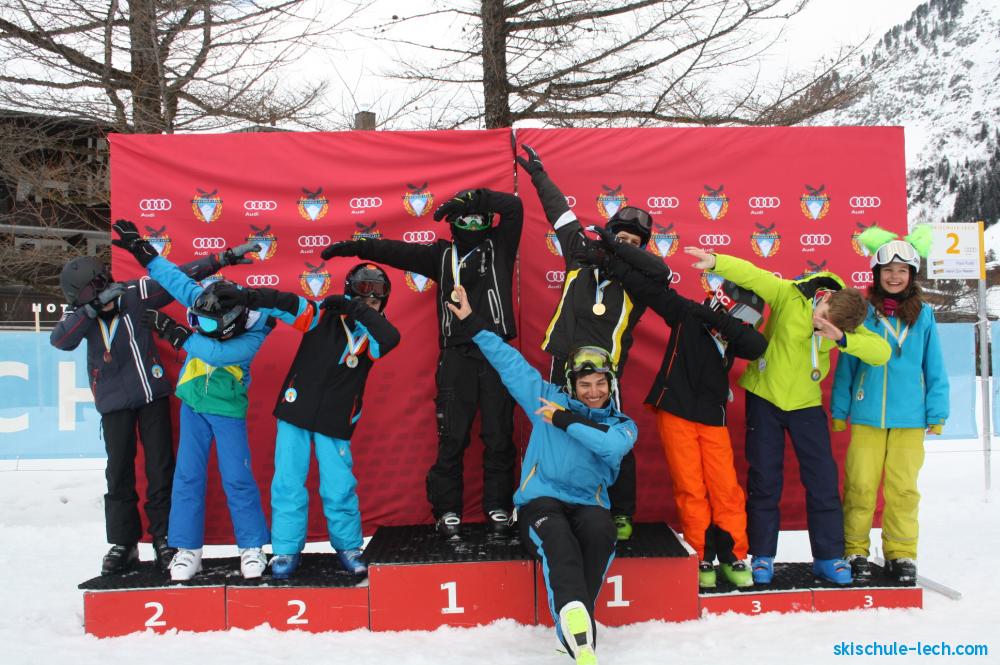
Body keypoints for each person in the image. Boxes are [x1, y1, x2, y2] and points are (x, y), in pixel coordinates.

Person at [447, 283, 635, 665]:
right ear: (572, 384)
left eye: (601, 384)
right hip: (541, 501)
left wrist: (564, 419)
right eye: (585, 384)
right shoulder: (546, 399)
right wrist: (471, 320)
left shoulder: (621, 425)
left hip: (588, 504)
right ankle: (578, 632)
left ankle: (575, 623)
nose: (594, 391)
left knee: (601, 533)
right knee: (558, 539)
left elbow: (610, 447)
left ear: (610, 384)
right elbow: (509, 362)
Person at [321, 188, 522, 538]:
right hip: (456, 356)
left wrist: (472, 198)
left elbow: (514, 206)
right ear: (453, 225)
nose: (473, 224)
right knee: (452, 437)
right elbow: (396, 251)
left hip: (497, 355)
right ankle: (447, 511)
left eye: (479, 217)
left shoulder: (500, 246)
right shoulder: (440, 256)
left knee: (499, 434)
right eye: (466, 218)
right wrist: (358, 247)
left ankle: (499, 507)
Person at [686, 246, 891, 585]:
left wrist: (842, 339)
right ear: (824, 297)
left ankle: (828, 557)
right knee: (765, 480)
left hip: (806, 405)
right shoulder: (789, 295)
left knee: (823, 482)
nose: (819, 323)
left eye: (827, 324)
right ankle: (762, 556)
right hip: (765, 399)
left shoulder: (845, 321)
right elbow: (753, 274)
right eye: (821, 315)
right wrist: (717, 262)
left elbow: (881, 352)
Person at [50, 241, 254, 575]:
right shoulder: (78, 316)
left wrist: (221, 258)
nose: (102, 292)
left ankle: (164, 538)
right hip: (113, 404)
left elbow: (179, 277)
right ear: (79, 297)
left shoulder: (133, 293)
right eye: (92, 291)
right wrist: (91, 310)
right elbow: (60, 340)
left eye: (102, 283)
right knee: (118, 472)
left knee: (160, 468)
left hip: (151, 396)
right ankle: (123, 543)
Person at [595, 234, 768, 588]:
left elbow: (755, 346)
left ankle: (733, 555)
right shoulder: (685, 313)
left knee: (725, 488)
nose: (741, 321)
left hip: (713, 415)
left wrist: (717, 321)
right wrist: (612, 260)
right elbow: (649, 289)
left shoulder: (734, 331)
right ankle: (702, 555)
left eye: (745, 317)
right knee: (691, 487)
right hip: (675, 409)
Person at [211, 263, 400, 578]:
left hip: (336, 418)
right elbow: (282, 302)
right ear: (349, 292)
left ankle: (349, 546)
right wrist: (245, 296)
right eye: (361, 297)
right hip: (295, 410)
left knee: (339, 486)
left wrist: (356, 308)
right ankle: (286, 550)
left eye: (375, 300)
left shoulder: (374, 333)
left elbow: (391, 338)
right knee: (287, 483)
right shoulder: (321, 315)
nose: (369, 304)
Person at [516, 144, 665, 541]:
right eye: (620, 236)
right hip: (563, 361)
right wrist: (538, 175)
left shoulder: (639, 281)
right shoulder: (579, 255)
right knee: (553, 427)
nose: (626, 243)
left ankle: (621, 510)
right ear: (608, 233)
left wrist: (617, 252)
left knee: (611, 436)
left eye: (634, 242)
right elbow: (559, 213)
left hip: (604, 372)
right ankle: (547, 501)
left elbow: (663, 273)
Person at [112, 219, 274, 581]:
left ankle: (251, 547)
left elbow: (217, 354)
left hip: (227, 410)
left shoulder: (255, 331)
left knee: (237, 478)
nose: (203, 326)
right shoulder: (208, 301)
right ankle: (187, 549)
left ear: (232, 321)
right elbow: (174, 279)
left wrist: (175, 333)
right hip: (193, 406)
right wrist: (144, 252)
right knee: (187, 477)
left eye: (211, 326)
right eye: (198, 320)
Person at [831, 228, 948, 583]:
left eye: (901, 271)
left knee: (903, 490)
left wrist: (937, 411)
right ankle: (855, 550)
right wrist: (840, 409)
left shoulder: (924, 315)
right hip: (867, 414)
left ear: (911, 275)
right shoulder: (864, 313)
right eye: (888, 270)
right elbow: (848, 363)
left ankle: (901, 553)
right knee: (860, 486)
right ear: (877, 274)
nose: (894, 277)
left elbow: (934, 366)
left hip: (910, 418)